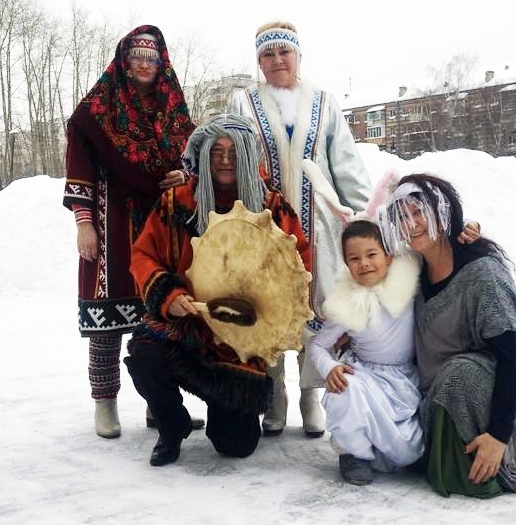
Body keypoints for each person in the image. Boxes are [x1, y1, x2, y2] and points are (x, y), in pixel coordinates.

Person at [123, 114, 312, 466]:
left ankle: (221, 413)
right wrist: (168, 295)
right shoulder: (176, 201)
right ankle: (172, 423)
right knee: (143, 355)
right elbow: (142, 254)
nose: (225, 160)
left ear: (247, 156)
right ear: (203, 155)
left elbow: (299, 261)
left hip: (239, 339)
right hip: (186, 325)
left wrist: (271, 306)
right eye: (216, 152)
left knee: (235, 445)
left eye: (234, 152)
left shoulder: (271, 207)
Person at [378, 173, 516, 498]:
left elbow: (514, 354)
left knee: (460, 374)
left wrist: (498, 436)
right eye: (401, 216)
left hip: (495, 394)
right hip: (434, 393)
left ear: (441, 212)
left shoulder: (481, 275)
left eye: (418, 212)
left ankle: (491, 457)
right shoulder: (413, 270)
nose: (410, 223)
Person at [229, 20, 371, 437]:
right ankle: (275, 397)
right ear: (259, 62)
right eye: (268, 55)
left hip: (319, 230)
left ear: (298, 57)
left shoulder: (325, 104)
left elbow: (346, 166)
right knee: (269, 308)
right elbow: (227, 158)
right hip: (265, 229)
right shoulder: (243, 105)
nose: (277, 61)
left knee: (317, 309)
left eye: (284, 53)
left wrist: (363, 217)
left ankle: (311, 397)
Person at [63, 25, 200, 438]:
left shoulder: (173, 112)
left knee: (159, 318)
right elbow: (79, 171)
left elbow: (193, 162)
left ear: (162, 64)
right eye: (138, 56)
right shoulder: (94, 113)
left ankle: (160, 405)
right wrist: (84, 223)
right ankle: (105, 404)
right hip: (110, 225)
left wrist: (183, 176)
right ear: (124, 61)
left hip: (161, 228)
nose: (145, 63)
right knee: (107, 322)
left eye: (152, 57)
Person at [307, 220, 424, 485]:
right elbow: (317, 346)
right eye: (354, 259)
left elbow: (438, 244)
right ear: (347, 265)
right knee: (345, 390)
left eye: (372, 255)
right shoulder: (347, 303)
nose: (364, 264)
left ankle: (390, 450)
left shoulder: (410, 280)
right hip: (366, 373)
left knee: (411, 450)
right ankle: (353, 454)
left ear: (389, 255)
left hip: (404, 379)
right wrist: (330, 368)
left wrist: (469, 228)